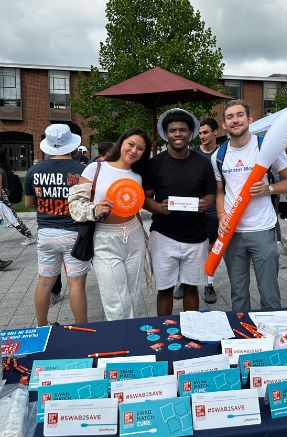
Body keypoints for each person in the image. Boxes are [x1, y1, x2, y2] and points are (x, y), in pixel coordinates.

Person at [212, 99, 287, 312]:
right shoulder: (218, 156)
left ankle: (271, 338)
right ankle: (243, 336)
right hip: (233, 233)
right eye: (230, 117)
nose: (235, 120)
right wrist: (221, 215)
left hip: (263, 230)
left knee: (269, 292)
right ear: (224, 124)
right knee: (238, 293)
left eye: (240, 115)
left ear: (250, 119)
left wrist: (268, 189)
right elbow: (220, 191)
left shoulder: (266, 147)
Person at [69, 128, 150, 321]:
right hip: (104, 238)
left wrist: (146, 239)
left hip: (134, 235)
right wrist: (94, 210)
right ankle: (119, 343)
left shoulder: (137, 176)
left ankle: (130, 339)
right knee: (114, 300)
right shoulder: (95, 168)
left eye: (140, 148)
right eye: (131, 144)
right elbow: (74, 205)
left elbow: (134, 208)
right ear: (121, 142)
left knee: (133, 295)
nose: (134, 150)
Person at [143, 108, 216, 316]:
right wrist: (157, 207)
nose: (178, 134)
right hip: (164, 235)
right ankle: (164, 329)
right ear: (166, 134)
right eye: (173, 130)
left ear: (190, 133)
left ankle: (191, 328)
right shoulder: (155, 164)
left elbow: (211, 193)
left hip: (197, 235)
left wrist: (206, 203)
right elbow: (145, 197)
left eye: (182, 130)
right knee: (164, 288)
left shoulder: (203, 163)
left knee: (192, 287)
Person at [24, 124, 91, 327]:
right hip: (74, 233)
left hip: (46, 233)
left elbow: (28, 204)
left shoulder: (34, 170)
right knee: (76, 283)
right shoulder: (82, 170)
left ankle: (42, 326)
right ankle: (82, 328)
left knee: (45, 282)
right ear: (71, 147)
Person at [191, 117, 220, 304]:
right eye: (200, 133)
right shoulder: (192, 153)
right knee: (192, 246)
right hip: (193, 208)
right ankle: (186, 282)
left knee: (212, 247)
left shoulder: (223, 153)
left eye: (206, 132)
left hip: (214, 209)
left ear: (215, 132)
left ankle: (209, 283)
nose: (202, 136)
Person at [0, 151, 36, 245]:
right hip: (3, 197)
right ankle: (29, 235)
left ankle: (29, 235)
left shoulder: (0, 169)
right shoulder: (3, 167)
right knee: (12, 218)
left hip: (2, 198)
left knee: (13, 218)